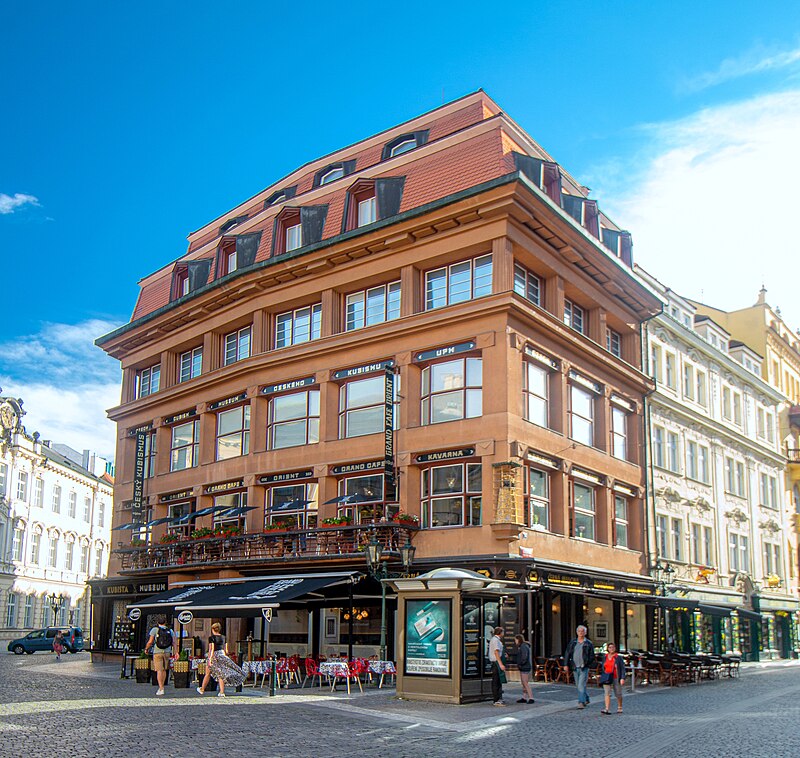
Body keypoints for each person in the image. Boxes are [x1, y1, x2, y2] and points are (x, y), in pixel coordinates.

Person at [196, 622, 245, 697]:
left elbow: (211, 649)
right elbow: (226, 650)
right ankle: (222, 692)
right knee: (220, 674)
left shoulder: (211, 638)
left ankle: (202, 689)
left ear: (213, 629)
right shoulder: (224, 637)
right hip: (222, 655)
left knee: (207, 673)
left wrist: (209, 659)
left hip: (215, 656)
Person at [564, 624, 596, 709]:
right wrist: (566, 664)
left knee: (581, 685)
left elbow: (591, 656)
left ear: (585, 632)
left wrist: (586, 663)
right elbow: (567, 653)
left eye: (582, 631)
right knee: (578, 685)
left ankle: (581, 702)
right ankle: (586, 698)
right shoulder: (573, 642)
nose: (581, 633)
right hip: (575, 666)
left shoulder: (588, 643)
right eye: (579, 631)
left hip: (583, 667)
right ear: (576, 632)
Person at [145, 615, 175, 696]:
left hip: (157, 651)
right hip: (167, 652)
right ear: (165, 622)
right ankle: (163, 685)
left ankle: (161, 688)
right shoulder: (170, 630)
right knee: (164, 669)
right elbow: (174, 642)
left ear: (158, 622)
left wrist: (146, 649)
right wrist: (176, 652)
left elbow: (150, 641)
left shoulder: (155, 630)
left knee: (159, 670)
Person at [599, 642, 625, 715]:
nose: (611, 649)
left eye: (613, 647)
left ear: (615, 648)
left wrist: (622, 678)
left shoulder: (618, 657)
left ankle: (620, 707)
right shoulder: (605, 657)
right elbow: (603, 667)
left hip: (616, 677)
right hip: (607, 676)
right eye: (610, 647)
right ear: (607, 648)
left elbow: (622, 668)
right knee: (607, 693)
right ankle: (607, 708)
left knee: (618, 693)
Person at [488, 626, 506, 706]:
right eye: (503, 632)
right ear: (500, 633)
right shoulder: (495, 640)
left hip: (496, 661)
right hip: (496, 662)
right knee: (496, 681)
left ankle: (498, 698)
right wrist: (500, 663)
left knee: (498, 681)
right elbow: (496, 652)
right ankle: (496, 699)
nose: (503, 634)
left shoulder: (495, 640)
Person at [514, 634, 534, 704]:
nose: (515, 641)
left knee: (525, 682)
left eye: (515, 640)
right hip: (524, 666)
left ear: (518, 639)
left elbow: (524, 657)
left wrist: (521, 663)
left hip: (525, 667)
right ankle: (524, 697)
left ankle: (531, 697)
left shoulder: (523, 646)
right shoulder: (523, 646)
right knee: (523, 682)